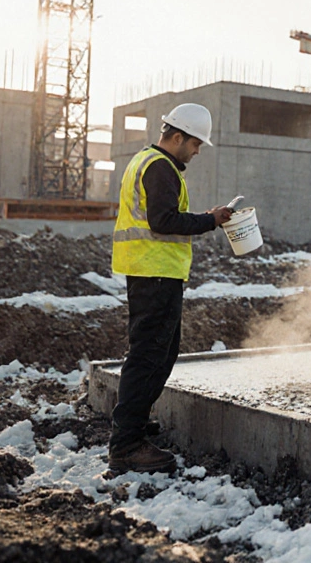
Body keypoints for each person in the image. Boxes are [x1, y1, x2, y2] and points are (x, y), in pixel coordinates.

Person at [107, 103, 232, 474]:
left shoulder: (146, 161)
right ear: (176, 136)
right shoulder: (160, 167)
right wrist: (210, 220)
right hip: (154, 273)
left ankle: (134, 424)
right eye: (194, 144)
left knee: (160, 352)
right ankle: (126, 445)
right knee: (149, 355)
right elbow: (163, 221)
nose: (196, 152)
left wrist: (207, 218)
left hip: (151, 272)